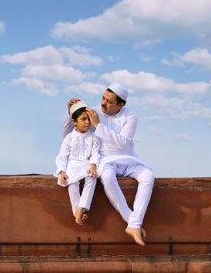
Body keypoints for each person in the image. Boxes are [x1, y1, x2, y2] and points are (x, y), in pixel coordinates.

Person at [62, 83, 155, 246]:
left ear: (120, 105)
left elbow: (123, 144)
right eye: (103, 98)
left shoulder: (130, 116)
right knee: (106, 176)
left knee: (148, 175)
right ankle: (133, 223)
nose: (103, 103)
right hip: (104, 161)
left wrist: (98, 125)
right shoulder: (94, 110)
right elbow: (69, 135)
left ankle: (134, 224)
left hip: (127, 159)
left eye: (109, 101)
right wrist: (68, 111)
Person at [55, 100, 100, 225]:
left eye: (89, 119)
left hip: (87, 164)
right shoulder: (69, 137)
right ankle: (76, 210)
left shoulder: (94, 137)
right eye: (83, 119)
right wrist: (62, 171)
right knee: (72, 181)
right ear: (74, 122)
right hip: (73, 165)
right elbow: (62, 156)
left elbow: (96, 154)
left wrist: (93, 165)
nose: (87, 122)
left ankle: (82, 207)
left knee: (92, 177)